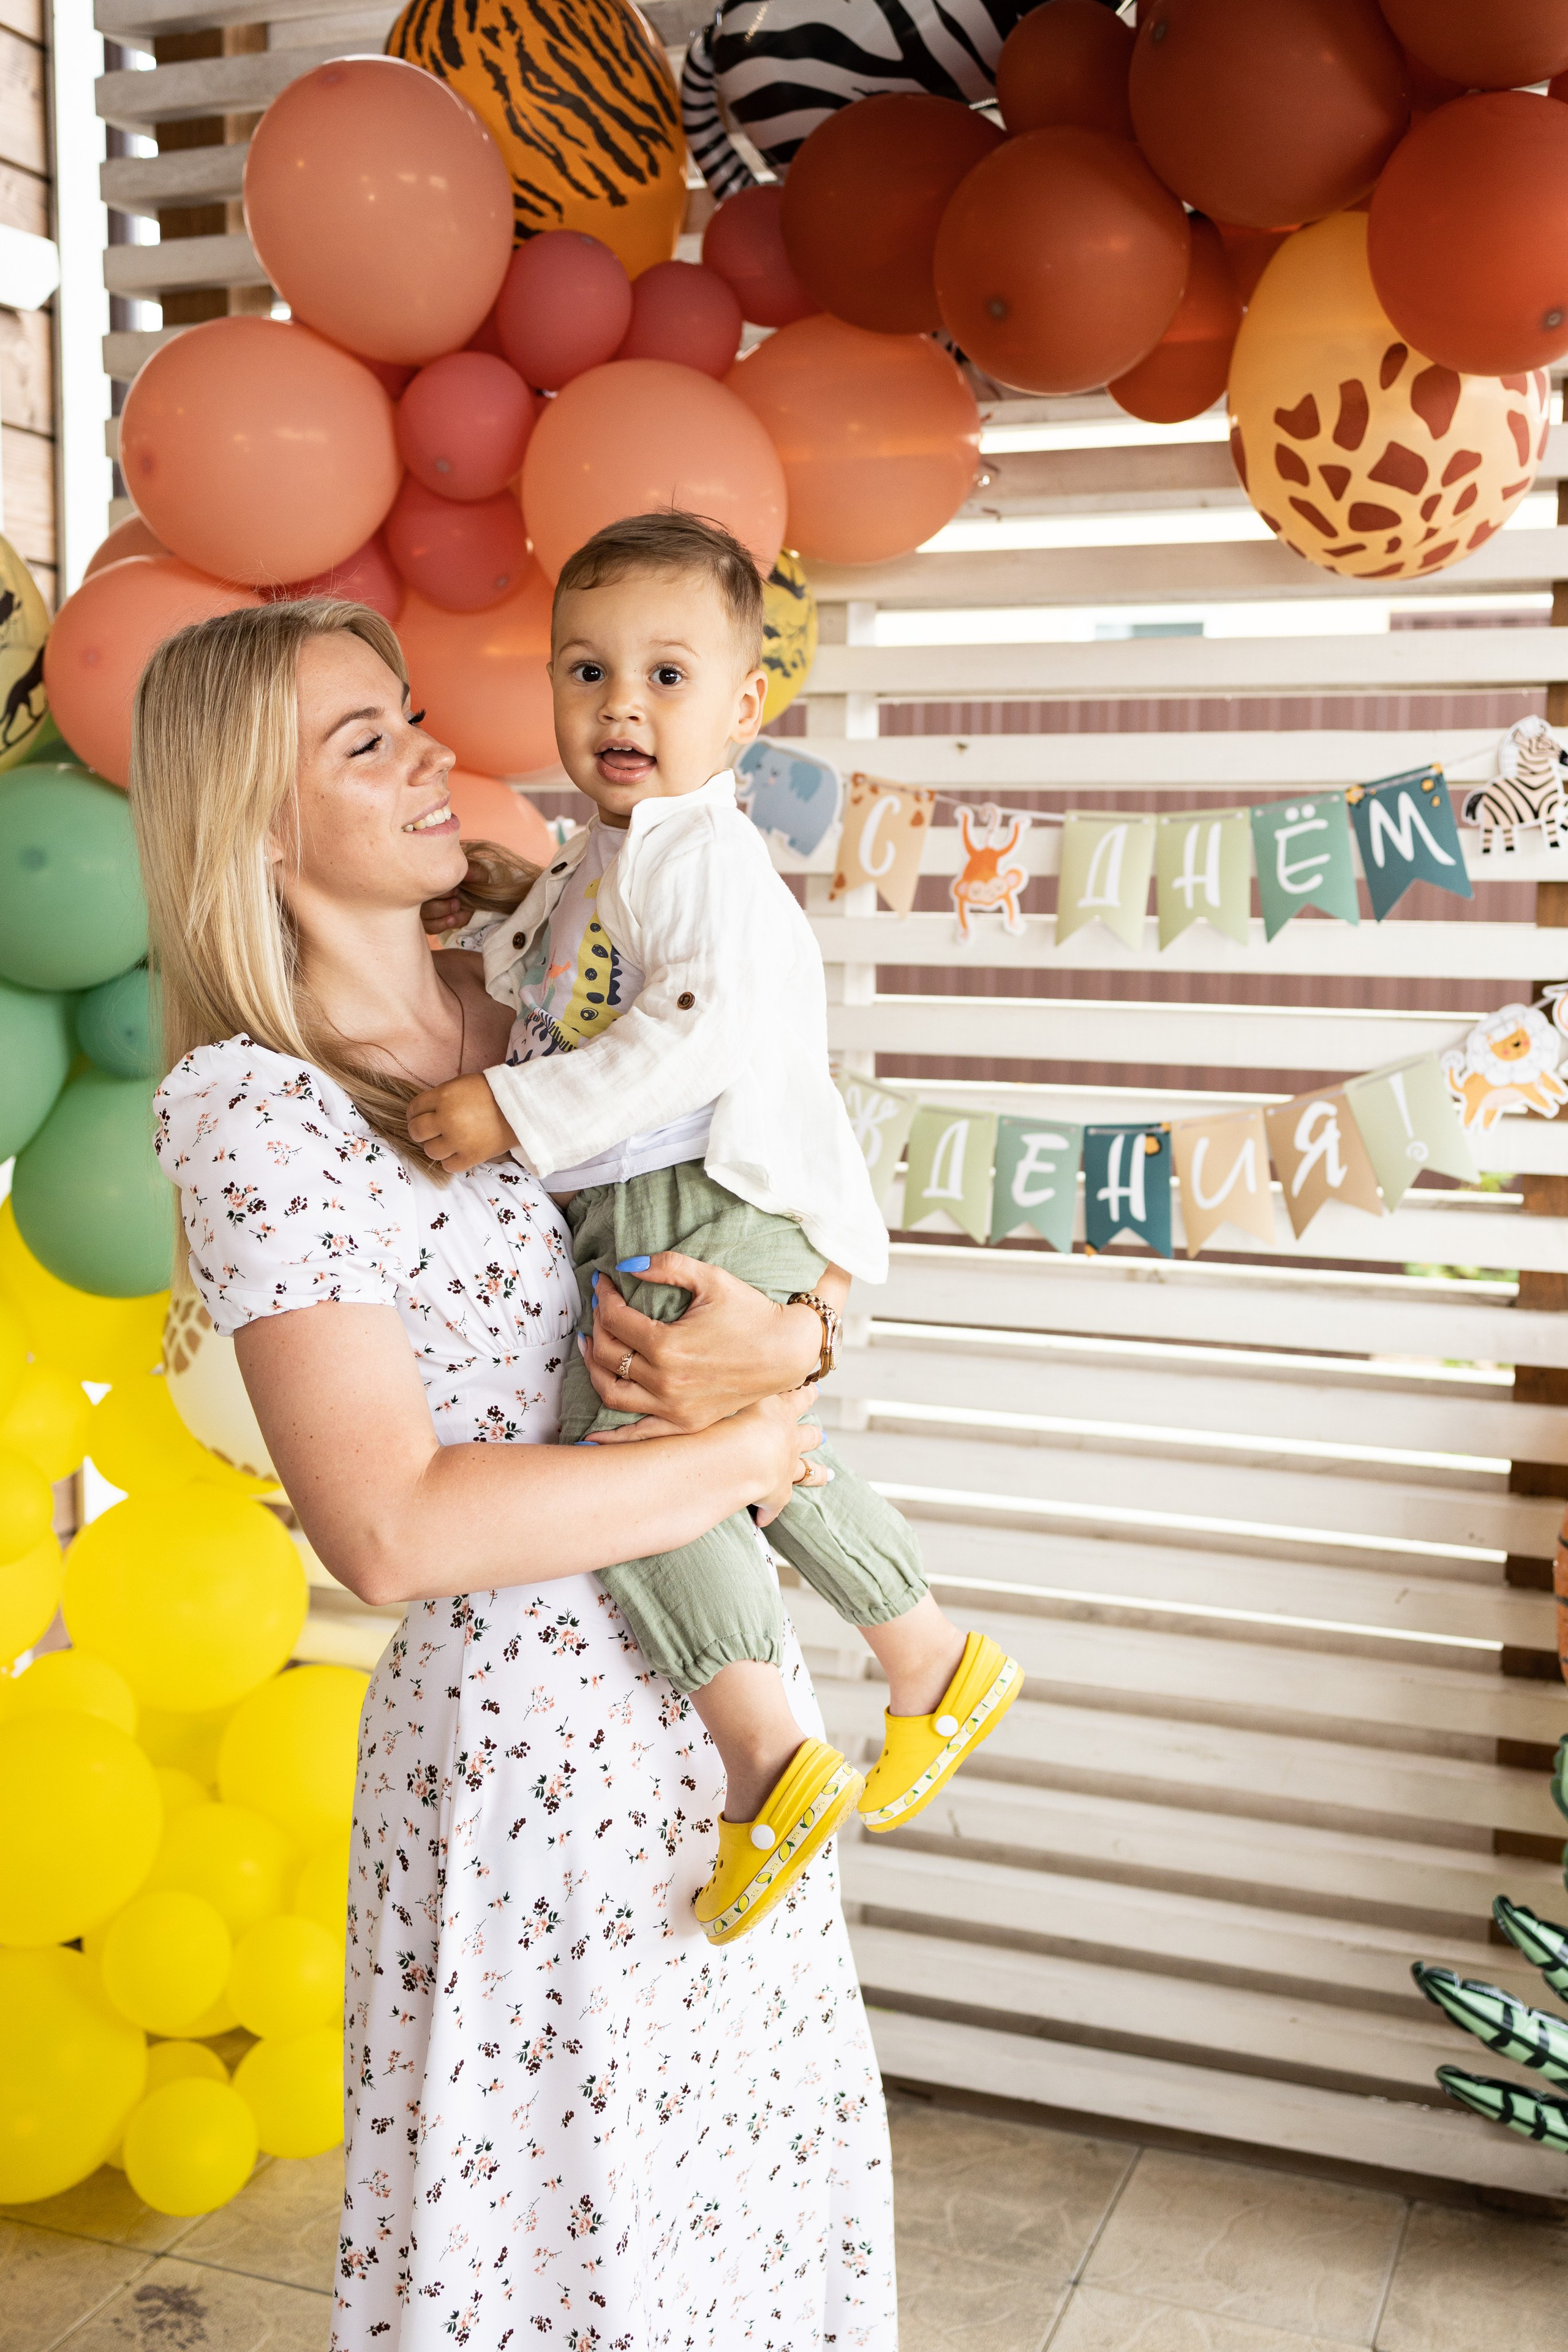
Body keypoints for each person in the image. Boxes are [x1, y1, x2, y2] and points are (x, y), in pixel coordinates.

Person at [132, 595, 897, 2350]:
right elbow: (392, 1527)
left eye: (409, 716)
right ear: (256, 821)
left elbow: (791, 1186)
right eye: (366, 740)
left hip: (724, 1725)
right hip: (529, 1780)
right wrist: (744, 1452)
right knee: (576, 2262)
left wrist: (804, 1345)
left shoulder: (562, 1005)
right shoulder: (267, 1112)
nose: (432, 756)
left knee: (744, 2228)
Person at [404, 511, 1022, 1946]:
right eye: (587, 668)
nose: (621, 704)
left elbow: (688, 1031)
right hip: (671, 1192)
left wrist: (509, 1112)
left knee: (636, 1459)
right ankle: (928, 1654)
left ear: (746, 710)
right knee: (738, 1461)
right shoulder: (603, 851)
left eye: (668, 676)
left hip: (695, 1186)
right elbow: (555, 973)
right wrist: (488, 921)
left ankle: (768, 1758)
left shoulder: (694, 854)